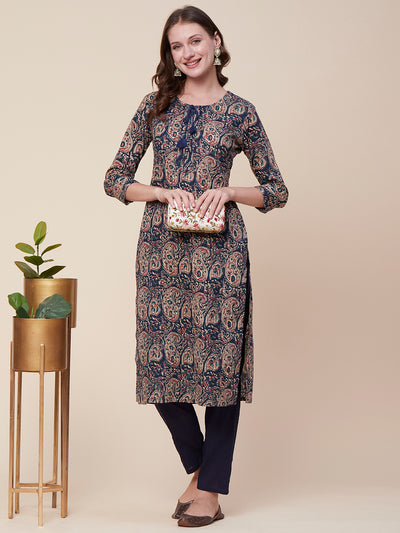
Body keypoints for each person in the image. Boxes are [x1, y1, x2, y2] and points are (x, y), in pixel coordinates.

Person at [104, 5, 288, 528]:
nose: (187, 53)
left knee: (221, 369)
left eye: (195, 41)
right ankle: (202, 470)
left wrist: (229, 191)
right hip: (161, 252)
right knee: (160, 368)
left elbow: (277, 190)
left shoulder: (240, 113)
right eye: (176, 46)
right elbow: (115, 178)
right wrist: (158, 191)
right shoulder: (155, 106)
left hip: (221, 256)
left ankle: (209, 491)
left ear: (216, 41)